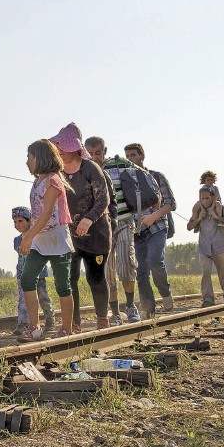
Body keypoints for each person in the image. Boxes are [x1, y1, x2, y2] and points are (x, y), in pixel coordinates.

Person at [51, 123, 112, 331]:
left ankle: (102, 319)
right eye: (59, 148)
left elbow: (103, 199)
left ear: (76, 148)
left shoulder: (90, 168)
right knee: (70, 278)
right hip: (70, 235)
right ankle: (73, 323)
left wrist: (89, 219)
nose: (62, 153)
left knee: (95, 277)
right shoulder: (57, 172)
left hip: (96, 234)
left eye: (66, 148)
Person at [18, 139, 75, 342]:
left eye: (29, 157)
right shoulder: (37, 182)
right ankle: (34, 327)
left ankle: (67, 328)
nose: (26, 162)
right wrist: (31, 236)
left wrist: (29, 236)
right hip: (40, 241)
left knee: (62, 284)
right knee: (27, 278)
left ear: (39, 158)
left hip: (56, 240)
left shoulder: (53, 181)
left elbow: (47, 213)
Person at [86, 136, 140, 324]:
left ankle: (131, 306)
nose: (94, 157)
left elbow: (137, 181)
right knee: (107, 271)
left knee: (126, 265)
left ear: (104, 151)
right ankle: (115, 312)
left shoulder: (118, 165)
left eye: (98, 153)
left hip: (124, 221)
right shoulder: (84, 171)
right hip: (101, 227)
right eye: (90, 153)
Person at [124, 143, 177, 318]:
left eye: (133, 155)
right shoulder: (125, 181)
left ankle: (166, 293)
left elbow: (171, 203)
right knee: (140, 271)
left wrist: (153, 216)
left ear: (141, 156)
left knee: (155, 260)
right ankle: (148, 308)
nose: (131, 159)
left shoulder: (156, 176)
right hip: (136, 230)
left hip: (157, 226)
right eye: (128, 156)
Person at [186, 185, 224, 306]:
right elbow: (189, 227)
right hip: (204, 247)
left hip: (220, 246)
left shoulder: (220, 207)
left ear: (212, 198)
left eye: (207, 198)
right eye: (202, 198)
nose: (204, 201)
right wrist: (198, 219)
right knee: (206, 273)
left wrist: (217, 217)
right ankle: (208, 299)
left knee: (223, 272)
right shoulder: (197, 209)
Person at [10, 207, 54, 335]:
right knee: (23, 299)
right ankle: (22, 323)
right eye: (15, 222)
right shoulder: (17, 240)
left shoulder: (37, 236)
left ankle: (49, 317)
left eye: (21, 221)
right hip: (22, 274)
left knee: (43, 298)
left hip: (38, 273)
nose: (18, 224)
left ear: (29, 221)